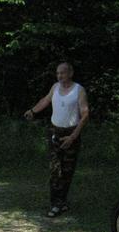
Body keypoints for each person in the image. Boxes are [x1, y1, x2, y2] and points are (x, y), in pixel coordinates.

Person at [24, 62, 90, 217]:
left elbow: (85, 114)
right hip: (55, 132)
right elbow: (45, 100)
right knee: (55, 170)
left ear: (70, 73)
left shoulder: (79, 90)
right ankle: (55, 204)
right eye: (58, 73)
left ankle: (62, 202)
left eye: (63, 73)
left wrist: (73, 136)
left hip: (71, 134)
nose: (59, 76)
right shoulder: (55, 87)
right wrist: (33, 111)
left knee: (67, 171)